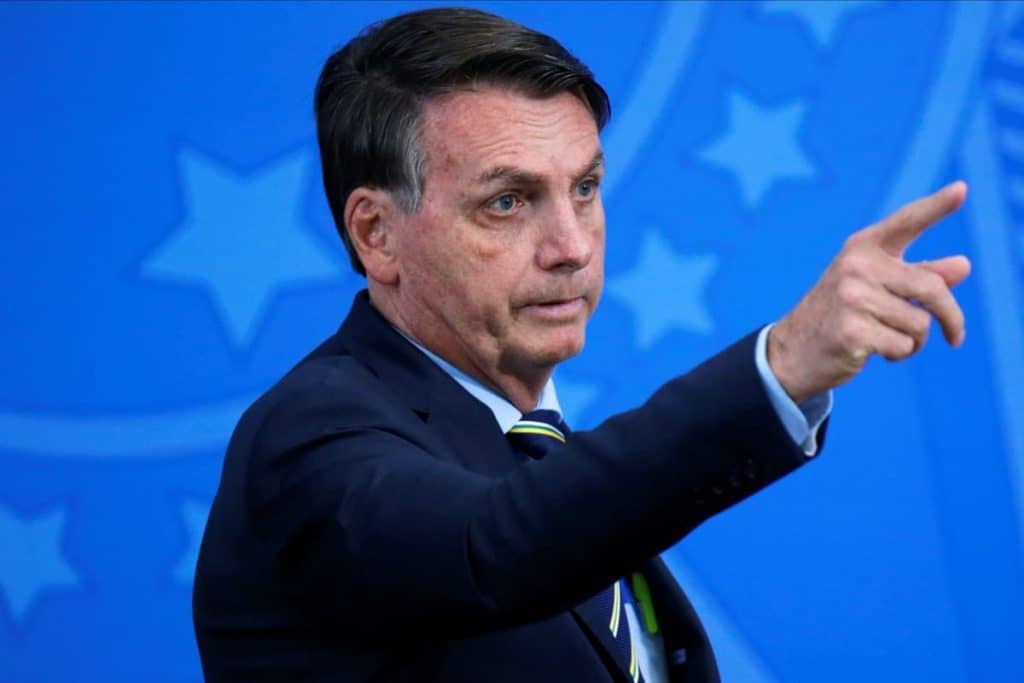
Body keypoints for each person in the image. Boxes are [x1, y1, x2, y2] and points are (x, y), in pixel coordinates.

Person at [192, 7, 970, 682]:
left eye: (586, 189)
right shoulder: (308, 438)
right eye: (507, 201)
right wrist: (781, 366)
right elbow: (492, 545)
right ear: (377, 233)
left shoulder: (534, 452)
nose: (571, 246)